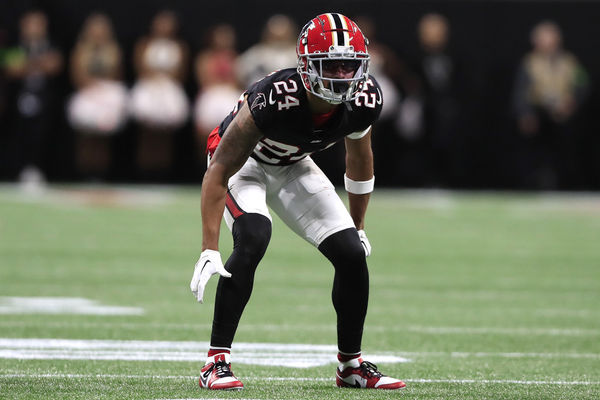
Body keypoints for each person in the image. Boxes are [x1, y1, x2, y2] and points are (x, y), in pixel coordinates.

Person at [189, 13, 406, 391]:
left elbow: (359, 160)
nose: (342, 76)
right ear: (306, 67)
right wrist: (209, 247)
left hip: (292, 163)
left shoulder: (365, 97)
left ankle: (350, 366)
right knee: (254, 235)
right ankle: (215, 361)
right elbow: (221, 167)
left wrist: (359, 226)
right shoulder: (276, 96)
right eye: (331, 66)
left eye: (348, 66)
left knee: (351, 254)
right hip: (244, 162)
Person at [512, 21, 589, 189]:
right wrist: (525, 113)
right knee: (536, 156)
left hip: (563, 115)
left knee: (564, 155)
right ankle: (535, 187)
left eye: (551, 38)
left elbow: (582, 83)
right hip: (539, 114)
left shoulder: (570, 61)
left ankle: (564, 186)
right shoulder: (529, 62)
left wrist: (572, 101)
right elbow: (521, 91)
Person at [4, 10, 62, 189]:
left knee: (40, 133)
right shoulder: (14, 44)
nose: (35, 28)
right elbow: (12, 69)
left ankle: (36, 168)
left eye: (39, 24)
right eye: (31, 24)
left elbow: (54, 66)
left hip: (43, 97)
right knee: (18, 132)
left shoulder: (51, 44)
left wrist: (27, 64)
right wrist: (38, 63)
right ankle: (15, 169)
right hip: (18, 97)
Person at [67, 12, 128, 179]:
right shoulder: (80, 50)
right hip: (87, 93)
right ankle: (84, 173)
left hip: (107, 94)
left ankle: (100, 174)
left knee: (103, 136)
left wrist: (103, 87)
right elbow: (77, 76)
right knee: (86, 137)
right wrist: (92, 86)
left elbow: (117, 76)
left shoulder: (113, 50)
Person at [130, 10, 189, 179]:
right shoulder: (144, 44)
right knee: (147, 132)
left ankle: (162, 172)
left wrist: (165, 78)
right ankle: (144, 171)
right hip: (148, 86)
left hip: (169, 87)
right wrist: (154, 77)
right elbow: (139, 68)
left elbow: (181, 73)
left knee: (165, 133)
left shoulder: (179, 47)